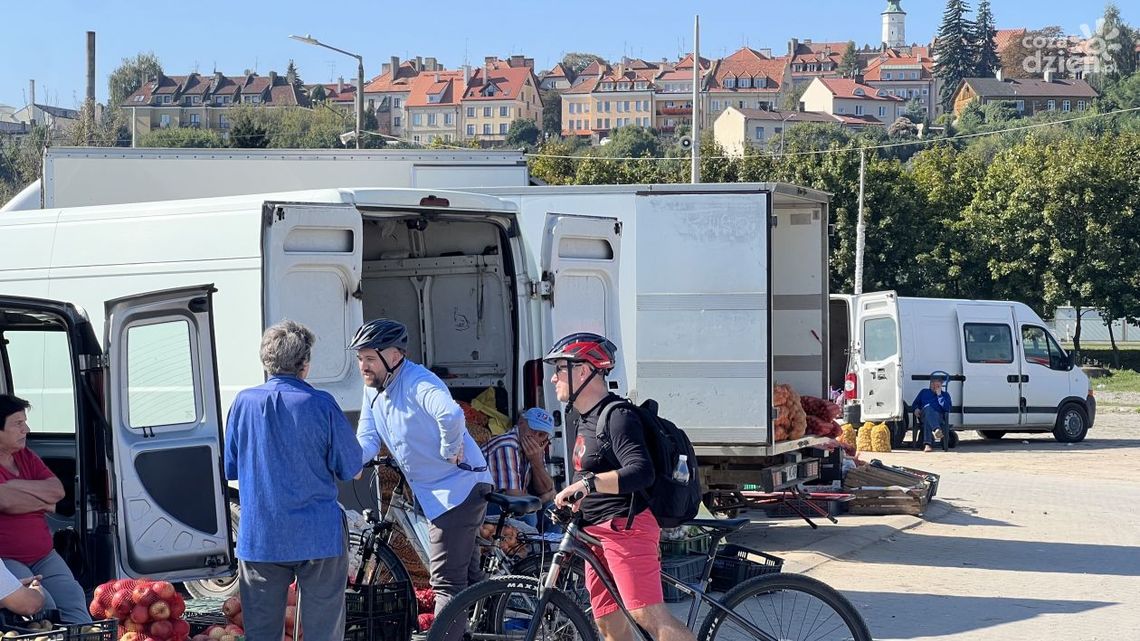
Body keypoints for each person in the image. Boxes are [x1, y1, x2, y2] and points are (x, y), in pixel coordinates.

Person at [548, 333, 696, 641]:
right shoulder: (583, 418)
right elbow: (592, 469)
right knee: (608, 623)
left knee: (648, 616)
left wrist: (589, 484)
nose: (553, 378)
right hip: (595, 534)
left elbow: (641, 472)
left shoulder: (618, 416)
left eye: (560, 368)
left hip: (625, 529)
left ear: (584, 370)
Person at [224, 321, 363, 641]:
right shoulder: (322, 404)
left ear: (265, 362)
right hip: (319, 536)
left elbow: (232, 468)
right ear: (305, 364)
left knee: (260, 632)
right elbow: (351, 468)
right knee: (323, 630)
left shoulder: (243, 404)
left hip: (262, 536)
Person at [350, 319, 493, 625]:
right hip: (436, 493)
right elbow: (368, 436)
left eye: (370, 359)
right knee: (470, 578)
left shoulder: (418, 382)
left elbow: (450, 413)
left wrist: (449, 448)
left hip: (457, 491)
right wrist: (351, 461)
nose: (363, 366)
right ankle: (497, 623)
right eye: (360, 359)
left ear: (395, 355)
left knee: (447, 585)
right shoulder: (373, 389)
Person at [0, 395, 90, 624]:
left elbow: (57, 492)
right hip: (7, 560)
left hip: (44, 556)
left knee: (73, 596)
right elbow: (6, 502)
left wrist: (14, 486)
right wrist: (42, 501)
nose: (26, 429)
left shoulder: (25, 456)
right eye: (18, 423)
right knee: (43, 607)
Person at [481, 407, 557, 529]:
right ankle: (528, 548)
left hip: (506, 502)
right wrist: (543, 498)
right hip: (481, 505)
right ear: (521, 423)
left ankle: (549, 547)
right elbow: (514, 497)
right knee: (527, 515)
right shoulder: (507, 444)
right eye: (533, 430)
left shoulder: (535, 449)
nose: (536, 437)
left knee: (553, 510)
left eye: (542, 435)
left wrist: (536, 461)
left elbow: (547, 488)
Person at [913, 374, 952, 452]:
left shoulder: (945, 395)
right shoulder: (924, 392)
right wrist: (916, 409)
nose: (934, 386)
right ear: (930, 384)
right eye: (932, 384)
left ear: (941, 385)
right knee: (928, 408)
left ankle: (928, 445)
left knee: (928, 417)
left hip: (938, 417)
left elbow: (947, 408)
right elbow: (915, 403)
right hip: (923, 415)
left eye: (937, 385)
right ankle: (936, 429)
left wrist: (939, 395)